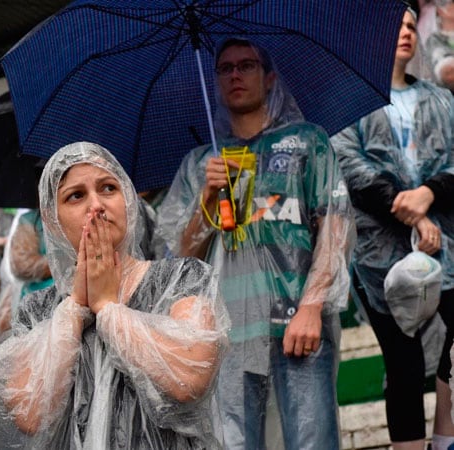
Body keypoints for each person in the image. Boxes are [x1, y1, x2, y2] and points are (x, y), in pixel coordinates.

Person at [156, 38, 355, 449]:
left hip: (297, 321)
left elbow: (335, 231)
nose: (234, 75)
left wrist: (313, 306)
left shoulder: (307, 142)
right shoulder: (199, 164)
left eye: (245, 65)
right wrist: (206, 201)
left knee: (313, 440)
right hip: (227, 332)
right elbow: (178, 263)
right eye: (224, 68)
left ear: (269, 78)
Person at [0, 142, 230, 449]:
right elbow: (29, 416)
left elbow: (190, 379)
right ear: (52, 219)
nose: (96, 204)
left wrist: (108, 309)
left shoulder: (182, 278)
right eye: (76, 195)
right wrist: (75, 308)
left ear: (128, 202)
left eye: (108, 188)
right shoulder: (38, 310)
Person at [331, 9, 454, 450]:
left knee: (451, 349)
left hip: (445, 248)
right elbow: (353, 170)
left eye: (408, 25)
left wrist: (432, 192)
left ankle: (444, 439)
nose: (404, 33)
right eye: (393, 25)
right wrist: (416, 212)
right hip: (378, 256)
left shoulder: (442, 101)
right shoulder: (348, 106)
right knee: (402, 361)